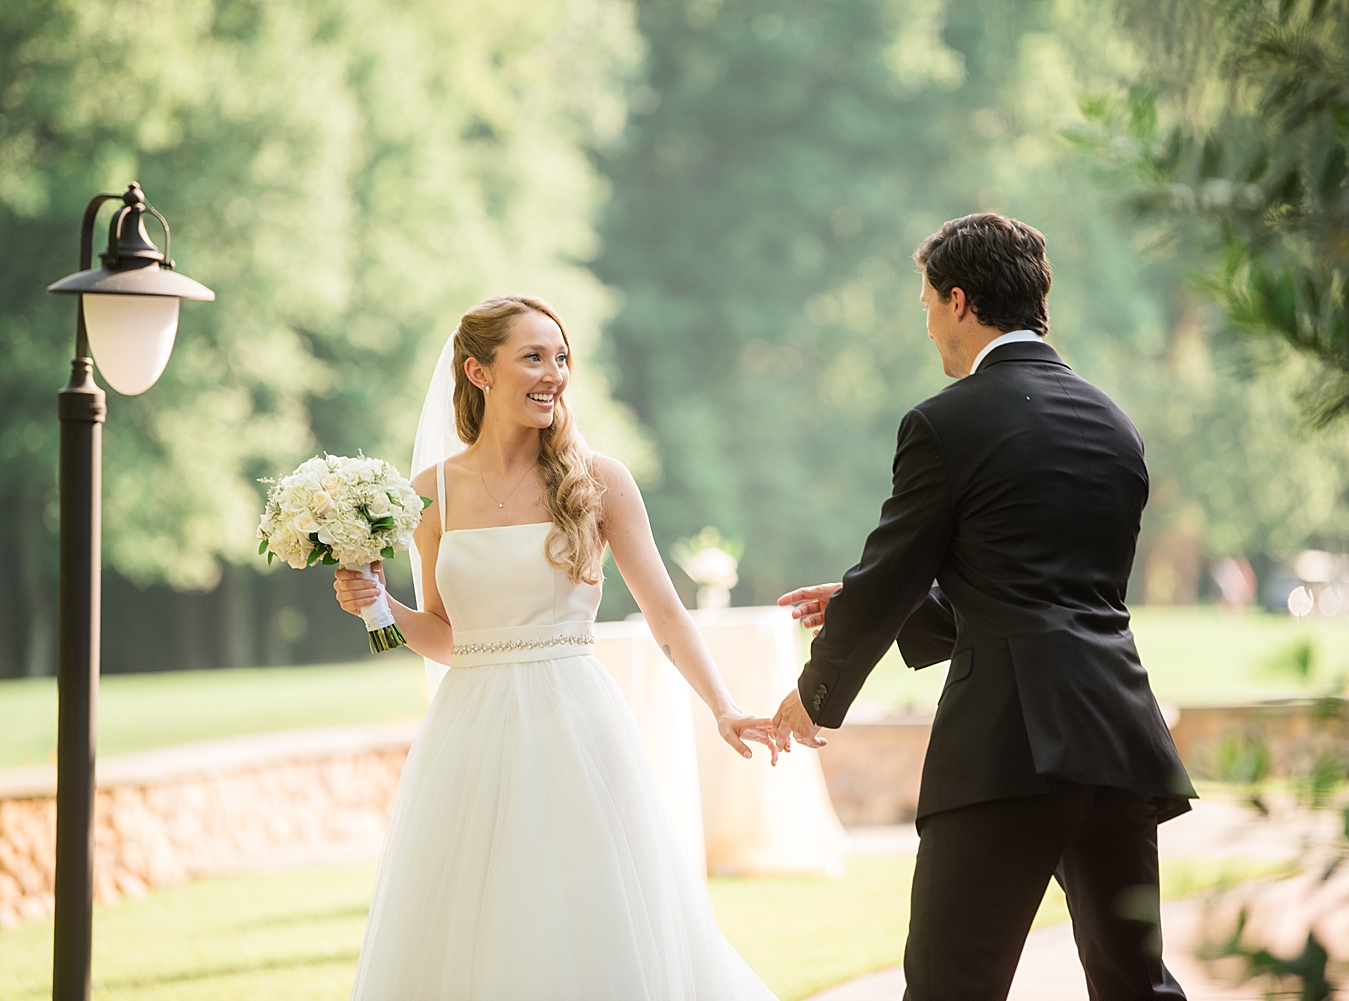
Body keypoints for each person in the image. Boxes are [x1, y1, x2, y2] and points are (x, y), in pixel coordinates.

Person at [772, 214, 1197, 1001]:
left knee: (950, 983)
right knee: (1134, 985)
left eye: (928, 303)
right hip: (1118, 737)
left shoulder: (946, 422)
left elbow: (896, 574)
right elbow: (1041, 586)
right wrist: (885, 602)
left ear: (960, 302)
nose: (928, 322)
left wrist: (815, 694)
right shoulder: (1114, 425)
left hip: (1009, 745)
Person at [332, 294, 779, 1000]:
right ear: (479, 373)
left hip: (576, 726)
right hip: (471, 732)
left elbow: (665, 610)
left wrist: (723, 705)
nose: (555, 373)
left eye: (562, 357)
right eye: (534, 357)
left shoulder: (598, 479)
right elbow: (448, 639)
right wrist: (379, 610)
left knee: (587, 917)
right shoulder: (429, 495)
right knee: (480, 926)